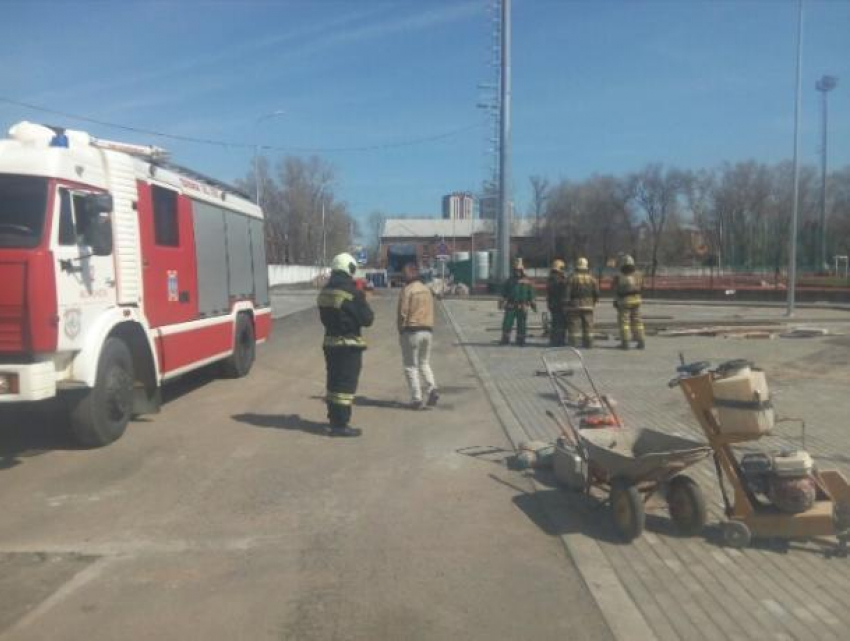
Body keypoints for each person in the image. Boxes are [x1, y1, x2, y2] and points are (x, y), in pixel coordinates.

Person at [317, 252, 375, 437]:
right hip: (348, 345)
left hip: (330, 343)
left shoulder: (325, 291)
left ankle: (334, 419)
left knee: (333, 382)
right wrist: (362, 299)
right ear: (349, 268)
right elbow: (368, 319)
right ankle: (341, 425)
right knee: (345, 385)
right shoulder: (352, 292)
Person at [397, 262, 439, 409]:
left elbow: (403, 312)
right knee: (424, 363)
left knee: (410, 366)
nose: (402, 275)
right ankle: (432, 388)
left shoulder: (407, 290)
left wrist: (401, 329)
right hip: (427, 330)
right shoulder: (426, 289)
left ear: (410, 274)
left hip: (412, 330)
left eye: (404, 273)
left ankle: (416, 399)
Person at [500, 258, 537, 346]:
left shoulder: (527, 281)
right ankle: (505, 339)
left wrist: (533, 304)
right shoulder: (510, 281)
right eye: (516, 270)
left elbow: (531, 293)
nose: (517, 272)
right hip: (511, 305)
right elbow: (504, 292)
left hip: (522, 306)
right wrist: (502, 302)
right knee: (507, 323)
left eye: (519, 270)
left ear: (522, 270)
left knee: (522, 324)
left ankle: (521, 340)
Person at [612, 254, 645, 350]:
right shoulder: (639, 275)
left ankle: (625, 343)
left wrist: (615, 301)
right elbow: (642, 286)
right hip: (637, 301)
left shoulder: (619, 276)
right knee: (638, 322)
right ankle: (641, 342)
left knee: (624, 323)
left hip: (624, 302)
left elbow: (615, 289)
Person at [564, 257, 599, 349]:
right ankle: (589, 344)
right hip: (588, 305)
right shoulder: (592, 278)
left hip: (574, 305)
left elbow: (567, 292)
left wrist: (567, 303)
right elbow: (596, 292)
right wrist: (594, 302)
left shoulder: (571, 278)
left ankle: (573, 343)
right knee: (588, 325)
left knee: (574, 325)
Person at [546, 259, 567, 346]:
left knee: (555, 323)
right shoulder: (557, 279)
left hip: (553, 304)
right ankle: (558, 340)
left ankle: (556, 340)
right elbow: (559, 291)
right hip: (558, 304)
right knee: (560, 323)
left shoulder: (552, 278)